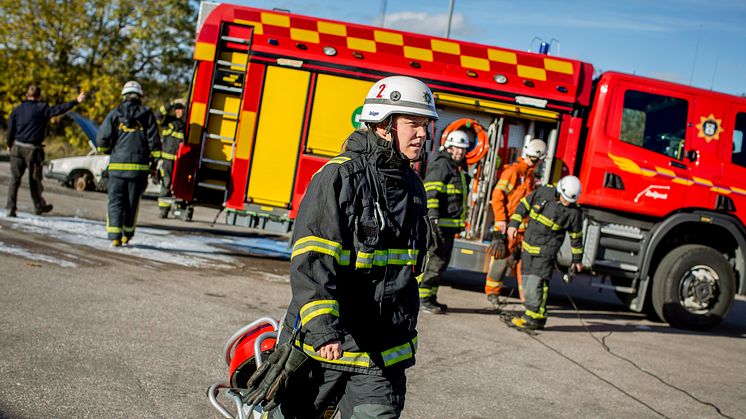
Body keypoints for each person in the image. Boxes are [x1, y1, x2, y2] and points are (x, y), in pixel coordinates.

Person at [255, 76, 437, 418]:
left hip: (384, 354)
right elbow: (312, 260)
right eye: (413, 124)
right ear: (384, 125)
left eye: (426, 125)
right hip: (327, 349)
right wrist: (323, 328)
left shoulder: (414, 186)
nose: (423, 134)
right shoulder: (339, 177)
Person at [507, 175, 584, 330]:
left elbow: (576, 238)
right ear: (559, 190)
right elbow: (523, 205)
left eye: (570, 201)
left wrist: (577, 260)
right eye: (565, 198)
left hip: (545, 253)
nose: (567, 202)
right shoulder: (543, 192)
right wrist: (514, 224)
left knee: (537, 284)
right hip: (528, 247)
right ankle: (532, 314)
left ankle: (535, 318)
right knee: (527, 284)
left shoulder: (573, 213)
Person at [5, 85, 86, 217]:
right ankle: (38, 207)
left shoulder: (17, 110)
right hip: (33, 150)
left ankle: (10, 208)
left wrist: (9, 144)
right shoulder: (42, 109)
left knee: (15, 179)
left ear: (27, 95)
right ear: (38, 96)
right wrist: (76, 101)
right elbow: (59, 109)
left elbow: (11, 130)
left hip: (17, 148)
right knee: (34, 180)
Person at [96, 81, 161, 247]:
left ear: (124, 96)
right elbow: (154, 141)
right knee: (132, 202)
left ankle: (114, 236)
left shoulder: (115, 114)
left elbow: (102, 138)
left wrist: (108, 150)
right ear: (139, 96)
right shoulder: (147, 114)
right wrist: (154, 162)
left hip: (117, 167)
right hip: (138, 169)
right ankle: (127, 235)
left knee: (115, 201)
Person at [484, 139, 546, 309]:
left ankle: (526, 299)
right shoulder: (513, 172)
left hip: (521, 229)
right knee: (501, 260)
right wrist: (501, 220)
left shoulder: (529, 176)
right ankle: (492, 293)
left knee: (523, 264)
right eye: (535, 160)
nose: (535, 163)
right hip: (508, 226)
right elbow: (498, 196)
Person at [419, 129, 470, 314]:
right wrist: (432, 218)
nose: (460, 153)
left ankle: (430, 297)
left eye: (463, 150)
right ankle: (422, 299)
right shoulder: (442, 166)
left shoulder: (457, 168)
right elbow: (431, 193)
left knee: (441, 264)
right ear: (449, 147)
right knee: (434, 262)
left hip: (449, 227)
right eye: (457, 148)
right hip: (439, 226)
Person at [155, 100, 185, 218]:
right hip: (167, 161)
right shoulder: (168, 121)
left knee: (180, 186)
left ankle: (180, 210)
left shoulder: (186, 125)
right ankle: (163, 210)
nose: (178, 111)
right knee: (166, 184)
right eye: (176, 109)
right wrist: (171, 104)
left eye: (181, 108)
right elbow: (157, 115)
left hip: (181, 162)